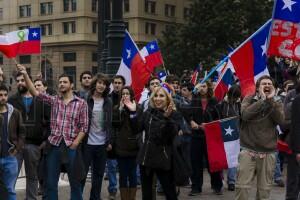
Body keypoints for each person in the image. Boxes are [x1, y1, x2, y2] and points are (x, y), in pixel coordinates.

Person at [17, 64, 89, 200]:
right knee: (50, 183)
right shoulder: (54, 100)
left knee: (75, 182)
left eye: (65, 82)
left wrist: (75, 144)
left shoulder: (81, 103)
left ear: (72, 85)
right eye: (60, 82)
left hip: (71, 146)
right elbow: (35, 93)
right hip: (54, 145)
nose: (61, 84)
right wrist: (25, 75)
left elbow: (84, 126)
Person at [235, 75, 285, 200]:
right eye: (264, 84)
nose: (267, 85)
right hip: (248, 151)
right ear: (257, 88)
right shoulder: (248, 98)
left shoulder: (277, 101)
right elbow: (245, 115)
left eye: (269, 84)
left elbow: (281, 120)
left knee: (264, 191)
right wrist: (262, 100)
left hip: (268, 153)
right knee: (242, 188)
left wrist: (270, 101)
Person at [9, 73, 50, 200]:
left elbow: (50, 121)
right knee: (11, 175)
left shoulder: (40, 100)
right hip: (15, 145)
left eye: (23, 80)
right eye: (18, 81)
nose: (20, 83)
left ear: (29, 81)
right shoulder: (11, 100)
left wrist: (45, 140)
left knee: (32, 176)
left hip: (34, 144)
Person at [136, 86, 179, 200]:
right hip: (146, 158)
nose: (158, 98)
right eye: (155, 95)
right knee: (147, 194)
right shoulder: (148, 112)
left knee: (169, 192)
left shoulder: (173, 114)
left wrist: (166, 118)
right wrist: (132, 112)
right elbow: (137, 128)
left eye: (161, 96)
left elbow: (166, 137)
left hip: (163, 158)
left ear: (167, 99)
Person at [188, 80, 223, 196]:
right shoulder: (194, 100)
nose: (202, 88)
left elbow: (219, 118)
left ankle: (217, 185)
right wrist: (191, 121)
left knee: (212, 162)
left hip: (210, 137)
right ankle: (196, 187)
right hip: (196, 136)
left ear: (208, 87)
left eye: (204, 86)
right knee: (195, 163)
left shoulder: (214, 101)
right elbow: (189, 114)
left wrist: (208, 126)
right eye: (200, 86)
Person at [81, 73, 113, 200]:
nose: (101, 86)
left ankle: (95, 198)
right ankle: (78, 196)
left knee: (98, 175)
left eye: (104, 84)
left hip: (102, 144)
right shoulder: (85, 99)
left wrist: (109, 141)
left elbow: (110, 123)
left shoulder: (108, 101)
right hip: (87, 143)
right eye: (99, 83)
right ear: (95, 84)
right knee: (82, 174)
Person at [112, 86, 139, 199]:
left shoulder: (137, 107)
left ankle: (131, 197)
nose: (125, 96)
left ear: (131, 95)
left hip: (134, 147)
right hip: (121, 147)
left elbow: (136, 127)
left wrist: (133, 111)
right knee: (123, 175)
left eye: (127, 93)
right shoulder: (117, 108)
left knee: (132, 175)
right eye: (123, 94)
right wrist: (120, 110)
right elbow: (115, 125)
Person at [0, 84, 25, 200]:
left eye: (5, 95)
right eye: (0, 95)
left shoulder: (15, 113)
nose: (3, 97)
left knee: (10, 189)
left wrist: (17, 149)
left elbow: (22, 133)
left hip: (10, 158)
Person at [217, 84, 241, 191]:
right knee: (221, 157)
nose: (234, 99)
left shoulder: (240, 104)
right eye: (232, 96)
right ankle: (220, 179)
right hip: (222, 134)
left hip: (235, 136)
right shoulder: (222, 104)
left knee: (233, 158)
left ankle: (231, 181)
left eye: (236, 97)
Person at [107, 75, 126, 199]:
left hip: (124, 138)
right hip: (112, 137)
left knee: (124, 167)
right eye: (115, 82)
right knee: (112, 166)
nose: (117, 85)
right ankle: (113, 189)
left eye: (119, 83)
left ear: (123, 84)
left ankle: (125, 189)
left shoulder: (128, 98)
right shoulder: (108, 99)